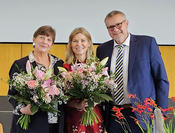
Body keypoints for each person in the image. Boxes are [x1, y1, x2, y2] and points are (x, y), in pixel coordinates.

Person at [96, 10, 169, 133]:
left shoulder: (147, 43)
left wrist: (160, 112)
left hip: (142, 114)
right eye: (110, 27)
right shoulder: (102, 49)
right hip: (114, 114)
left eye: (118, 24)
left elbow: (161, 78)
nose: (115, 29)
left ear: (127, 23)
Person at [8, 25, 64, 133]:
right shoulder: (20, 64)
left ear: (52, 44)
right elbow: (12, 95)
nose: (45, 41)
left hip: (55, 123)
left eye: (49, 39)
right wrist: (22, 109)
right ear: (34, 39)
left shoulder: (58, 63)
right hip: (30, 123)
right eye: (41, 37)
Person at [63, 27, 104, 133]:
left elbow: (106, 93)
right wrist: (77, 105)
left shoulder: (97, 66)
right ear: (71, 45)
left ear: (89, 43)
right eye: (75, 41)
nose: (78, 44)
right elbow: (62, 99)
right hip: (74, 119)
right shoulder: (65, 68)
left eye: (83, 40)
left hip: (94, 117)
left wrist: (95, 101)